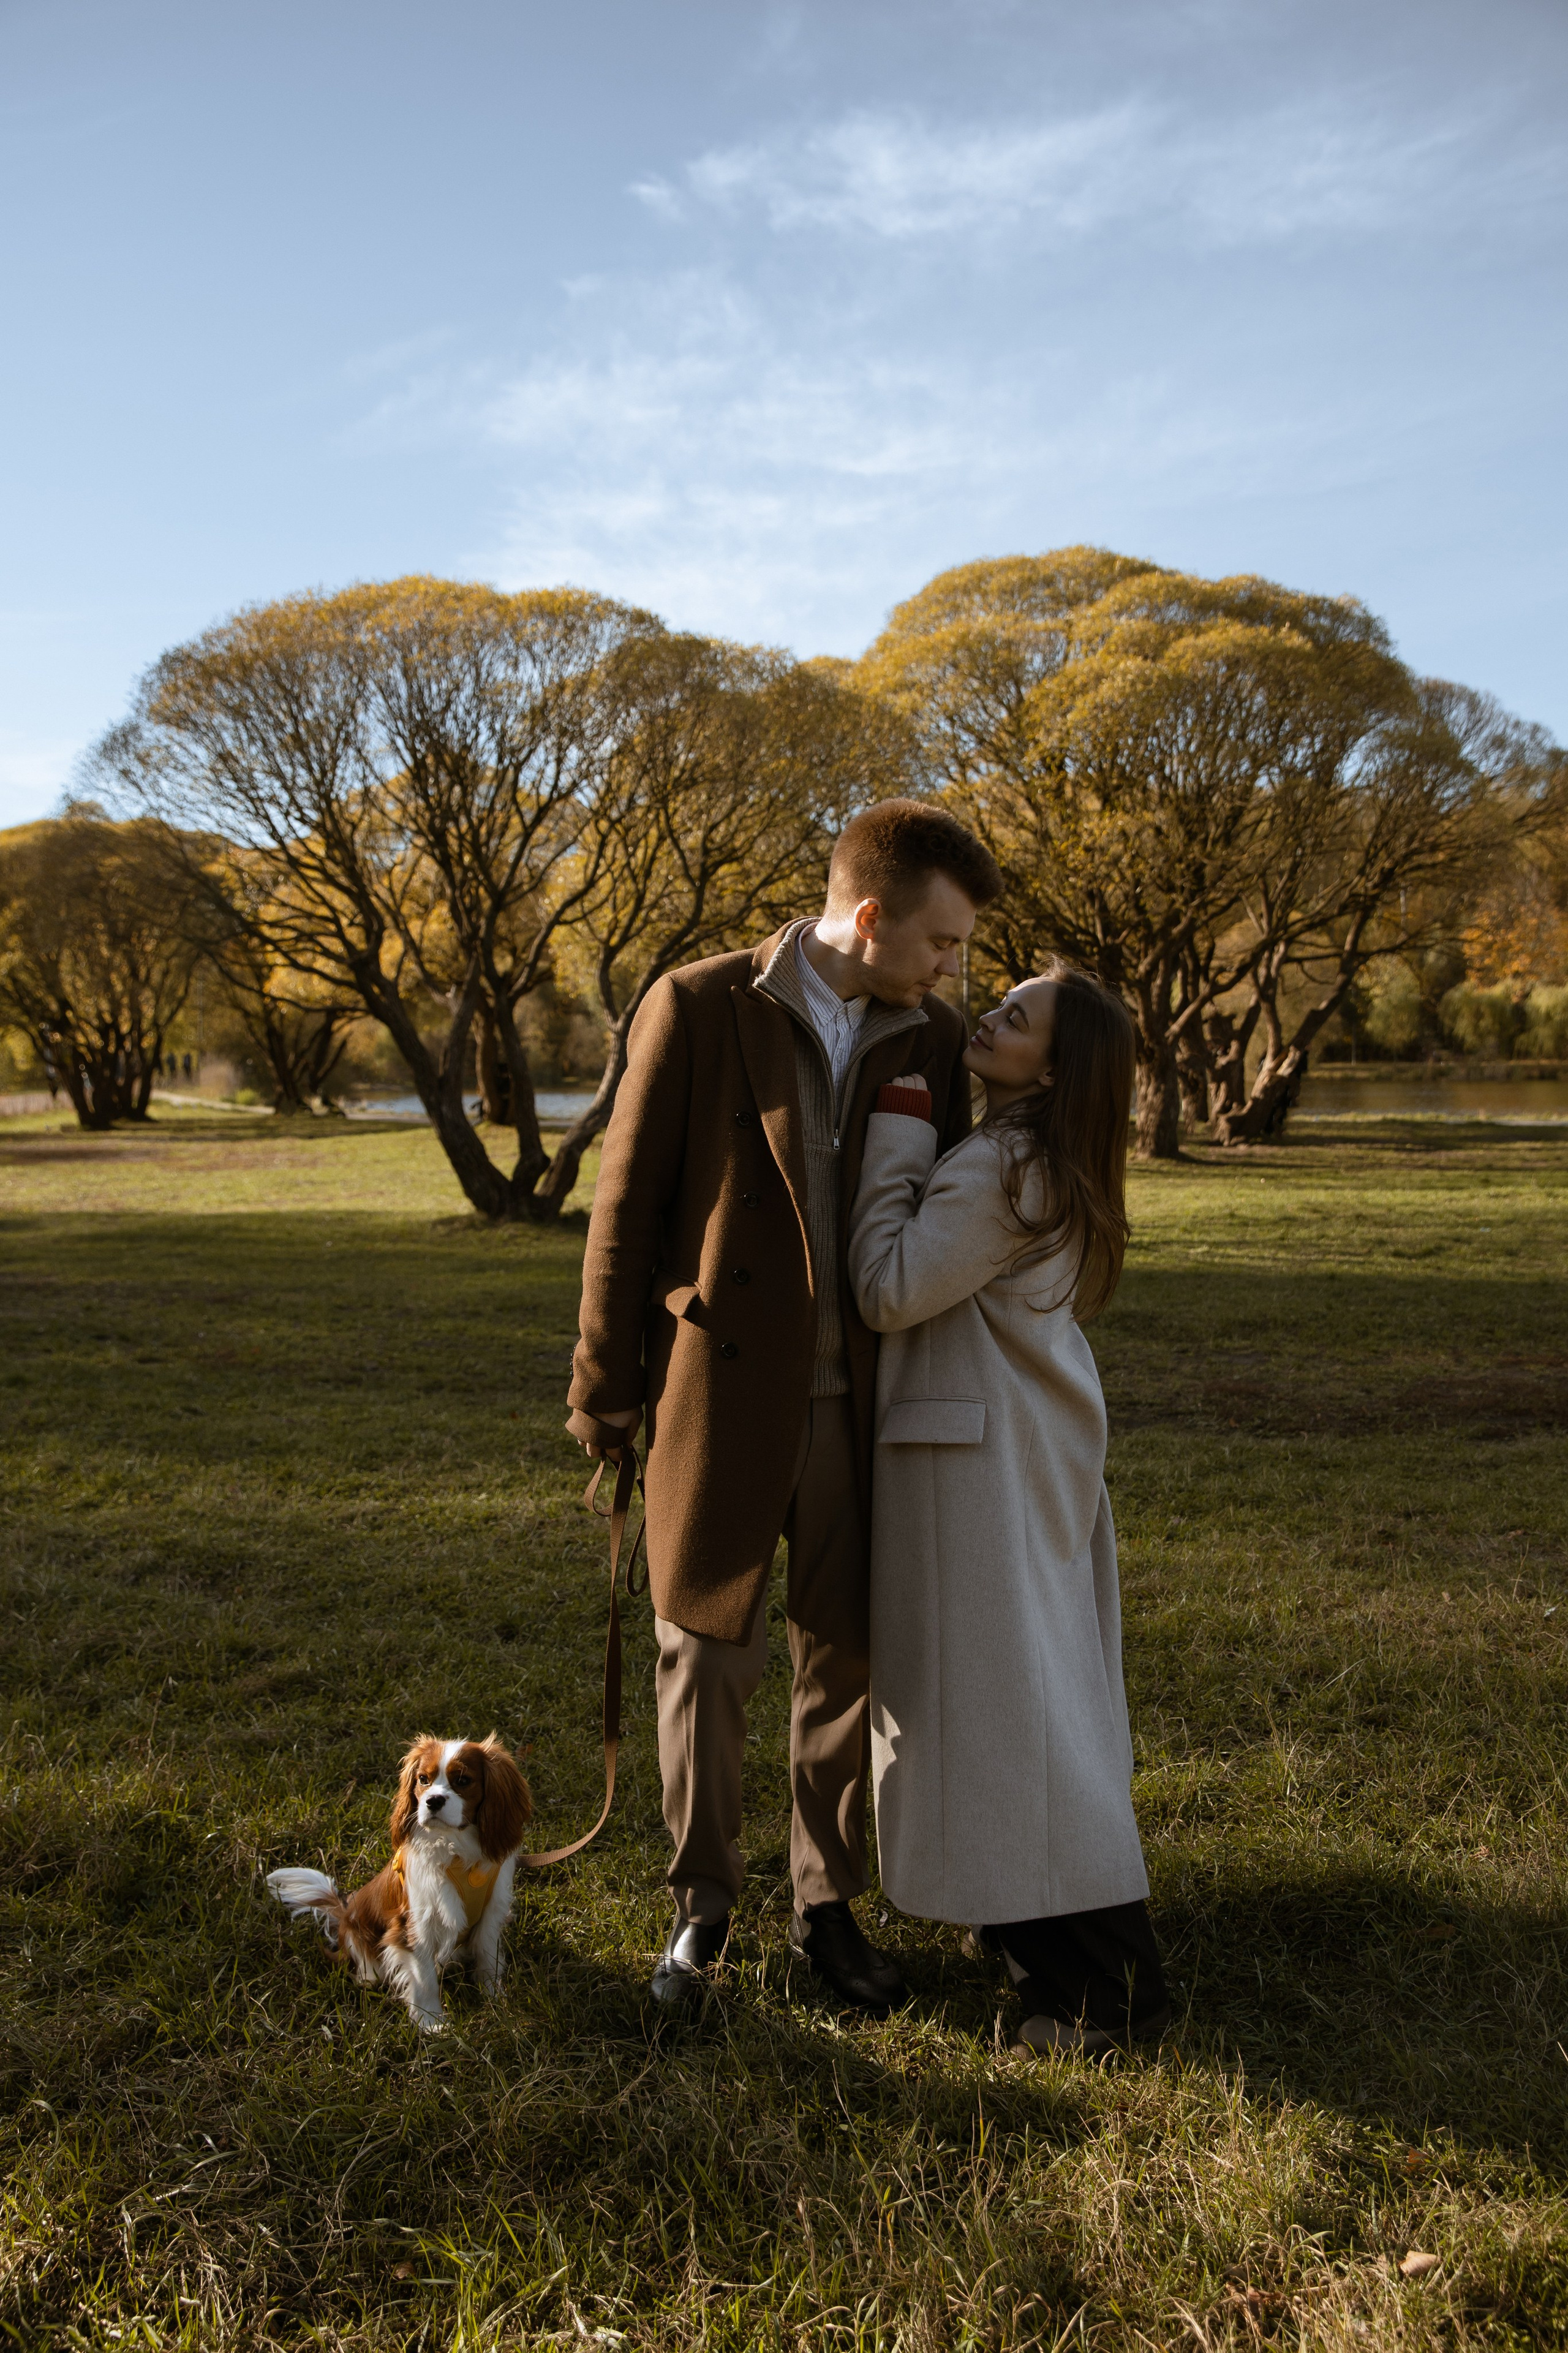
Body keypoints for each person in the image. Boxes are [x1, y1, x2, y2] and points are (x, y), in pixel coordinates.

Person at [566, 801, 1003, 2011]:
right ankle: (701, 1906)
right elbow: (625, 1207)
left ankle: (826, 1905)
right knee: (703, 1654)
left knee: (846, 1659)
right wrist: (605, 1388)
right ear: (868, 917)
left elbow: (943, 1223)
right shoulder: (698, 1003)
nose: (950, 967)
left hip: (867, 1404)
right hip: (716, 1388)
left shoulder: (932, 1037)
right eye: (940, 940)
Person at [848, 958, 1170, 2055]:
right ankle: (1051, 1960)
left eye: (1016, 1017)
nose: (988, 1017)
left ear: (1056, 1065)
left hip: (977, 1472)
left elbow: (889, 1289)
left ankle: (1103, 1993)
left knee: (1007, 1719)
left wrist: (898, 1141)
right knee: (1026, 1708)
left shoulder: (1003, 1165)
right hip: (1022, 1455)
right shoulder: (1046, 1158)